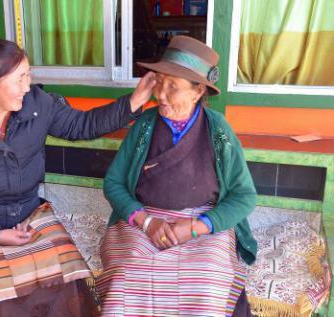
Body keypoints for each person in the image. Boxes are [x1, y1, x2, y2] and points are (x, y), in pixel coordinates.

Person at [0, 38, 156, 317]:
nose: (27, 86)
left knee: (68, 279)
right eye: (19, 79)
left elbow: (82, 125)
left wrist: (134, 101)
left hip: (27, 211)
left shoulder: (36, 104)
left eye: (28, 75)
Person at [97, 35, 257, 316]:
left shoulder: (218, 130)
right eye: (159, 83)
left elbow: (244, 196)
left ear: (197, 92)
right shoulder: (145, 125)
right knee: (127, 276)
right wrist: (146, 222)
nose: (160, 94)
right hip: (145, 219)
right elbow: (114, 182)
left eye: (172, 87)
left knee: (206, 282)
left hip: (203, 222)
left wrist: (198, 226)